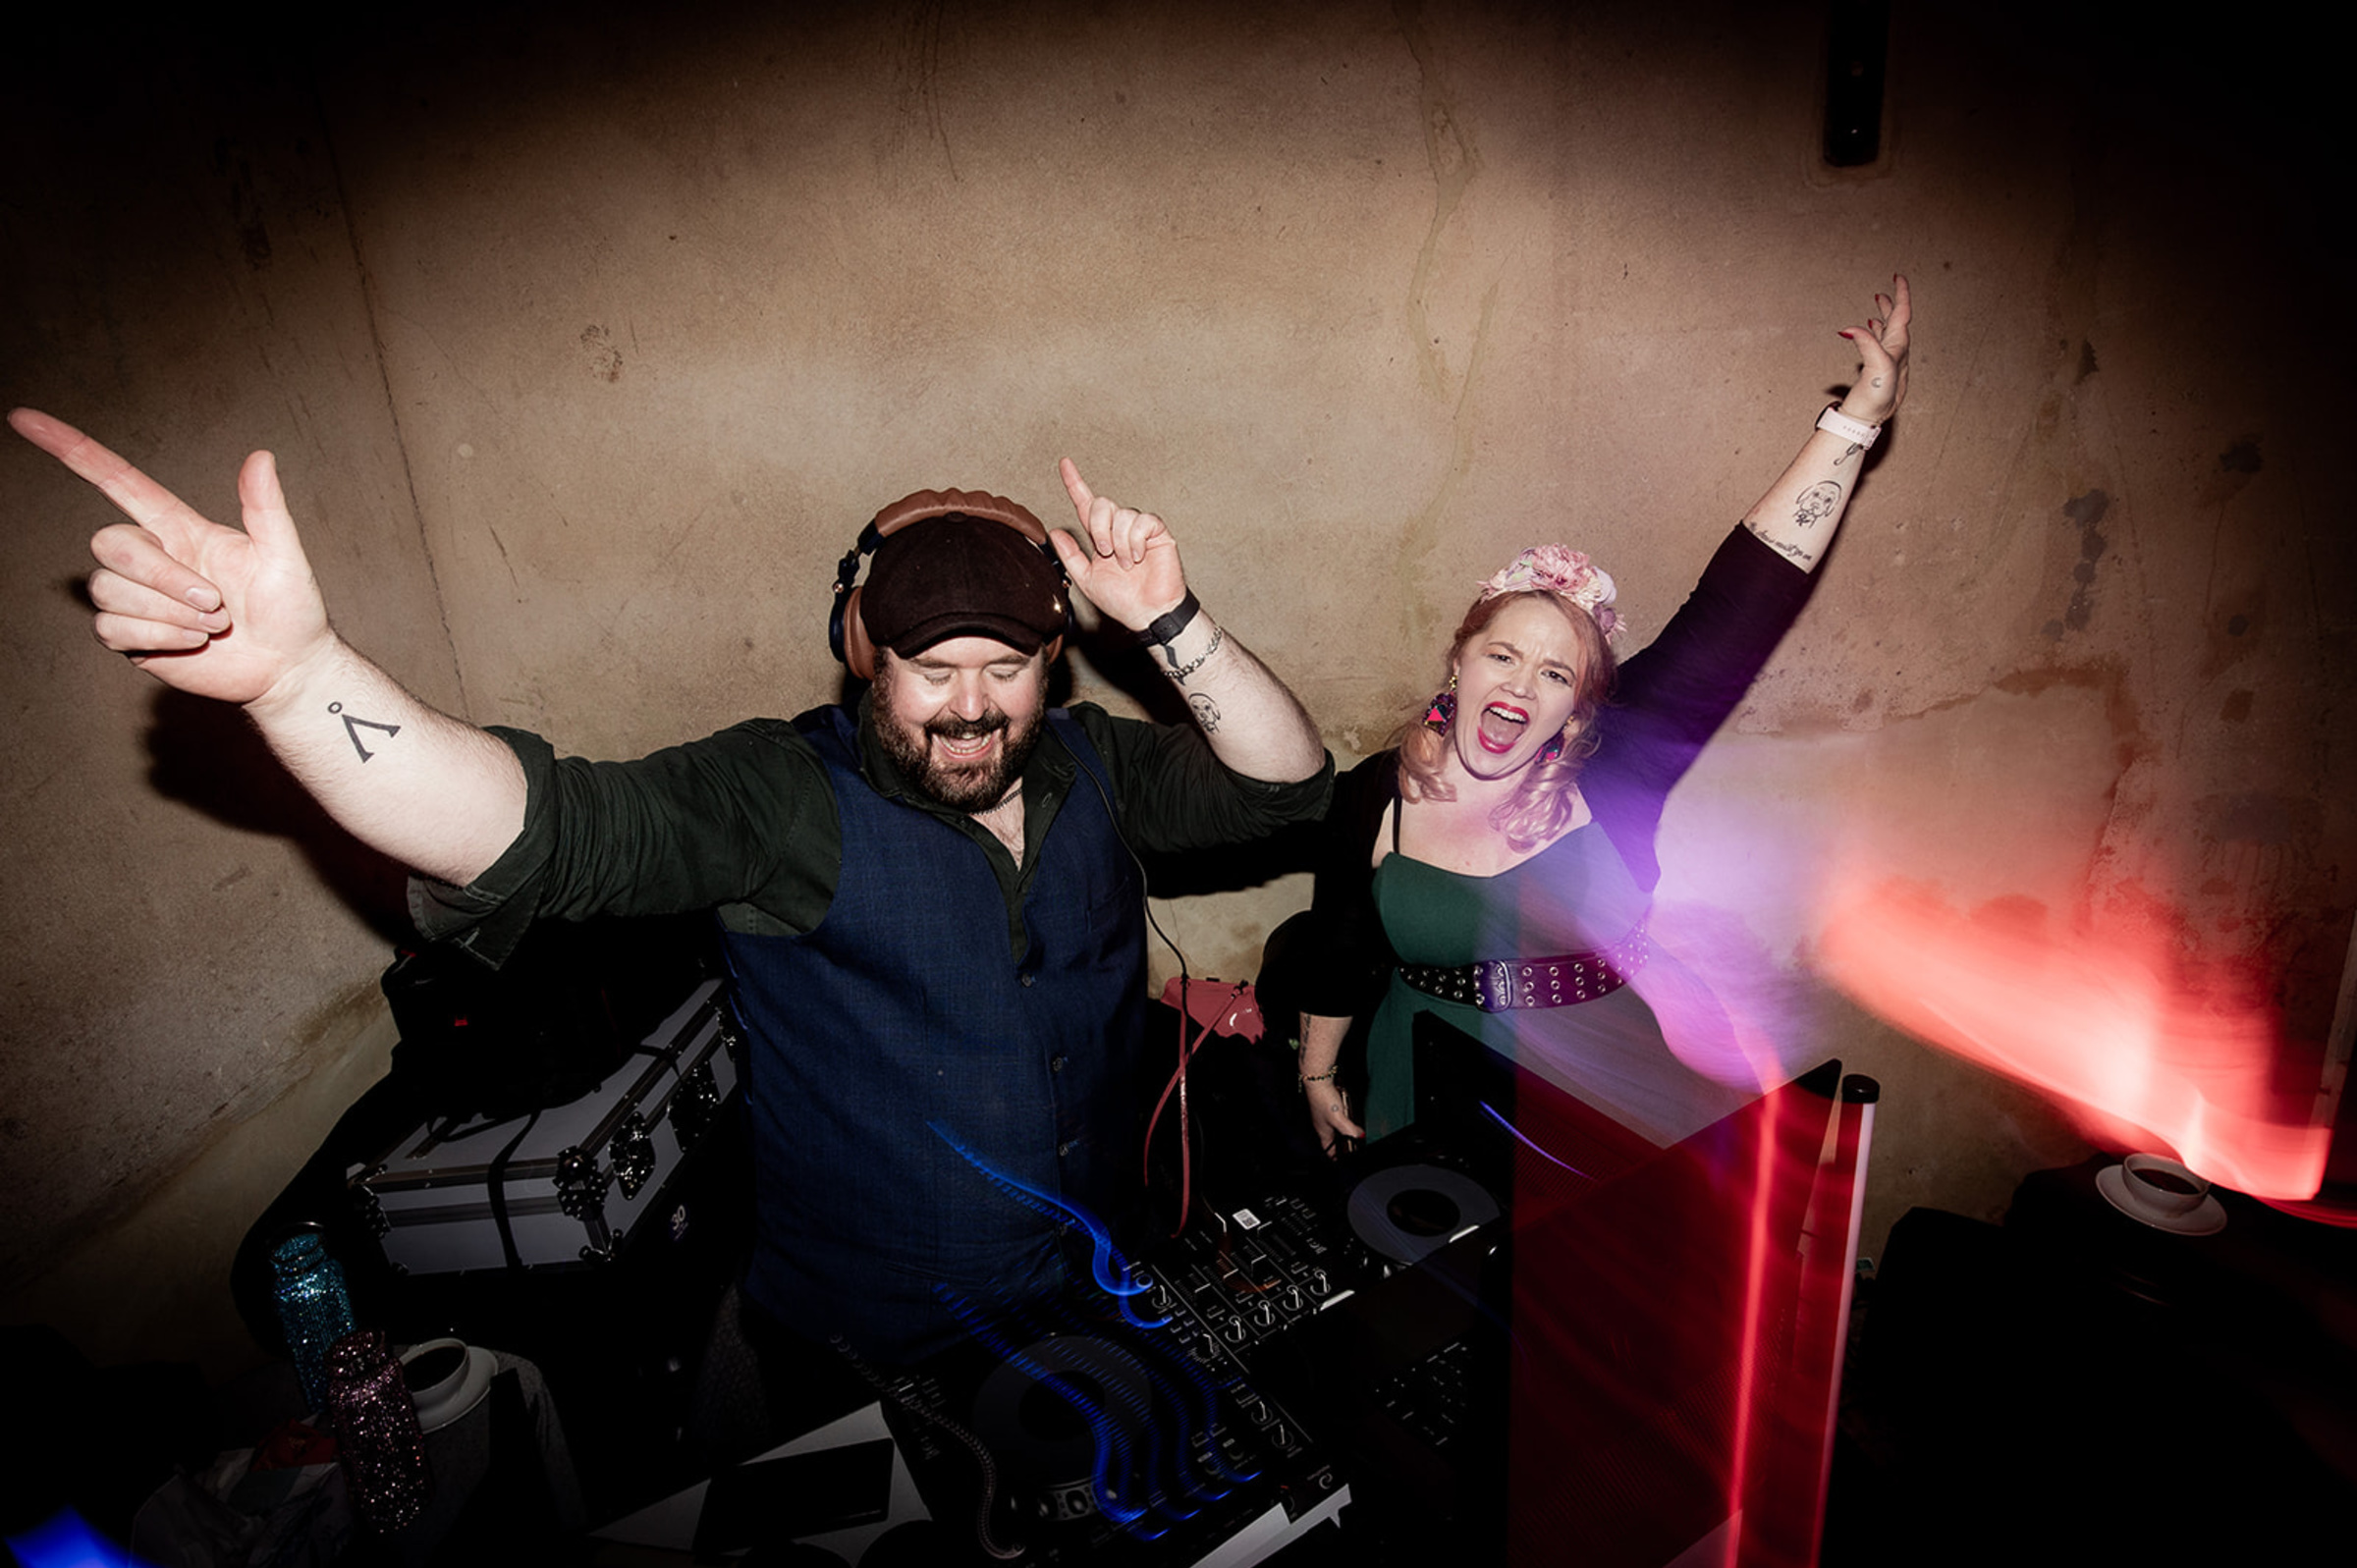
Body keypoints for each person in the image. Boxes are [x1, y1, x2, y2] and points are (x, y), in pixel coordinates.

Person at [15, 408, 1331, 1361]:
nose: (972, 710)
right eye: (934, 668)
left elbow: (1289, 786)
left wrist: (1171, 622)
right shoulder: (775, 797)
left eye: (1008, 666)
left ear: (1056, 664)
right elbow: (553, 829)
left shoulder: (1098, 765)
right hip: (876, 1344)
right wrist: (303, 685)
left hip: (1093, 1288)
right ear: (864, 656)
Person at [1293, 277, 1912, 1157]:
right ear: (1460, 663)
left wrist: (1856, 421)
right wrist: (1319, 1076)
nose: (1520, 685)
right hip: (1425, 1089)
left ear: (1577, 707)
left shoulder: (1616, 769)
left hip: (1606, 1096)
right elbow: (1340, 944)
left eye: (1555, 674)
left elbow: (1739, 608)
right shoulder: (1373, 794)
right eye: (1503, 656)